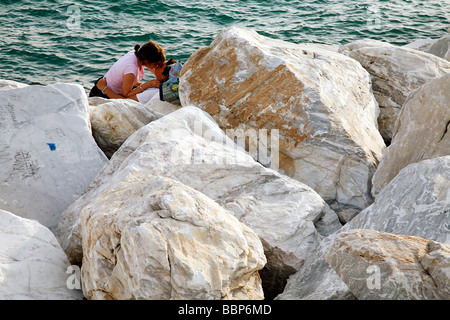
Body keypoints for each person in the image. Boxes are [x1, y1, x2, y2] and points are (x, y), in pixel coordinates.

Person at [89, 40, 166, 99]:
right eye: (155, 64)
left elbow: (156, 70)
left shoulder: (137, 54)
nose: (156, 66)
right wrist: (147, 85)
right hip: (103, 93)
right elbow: (125, 95)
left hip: (117, 88)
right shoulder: (131, 68)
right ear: (146, 61)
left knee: (149, 88)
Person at [96, 58, 181, 104]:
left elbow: (124, 101)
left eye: (160, 65)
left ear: (163, 77)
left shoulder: (152, 92)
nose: (157, 65)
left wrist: (103, 88)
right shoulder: (159, 87)